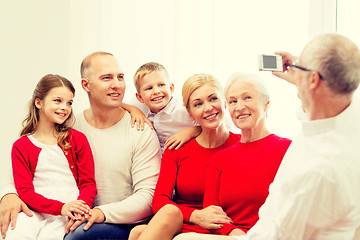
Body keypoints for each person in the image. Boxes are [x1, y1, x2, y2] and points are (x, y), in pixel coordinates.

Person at [0, 52, 161, 240]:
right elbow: (24, 169)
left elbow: (148, 196)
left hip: (122, 223)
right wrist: (8, 195)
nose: (116, 84)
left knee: (75, 236)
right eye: (107, 78)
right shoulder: (67, 126)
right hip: (74, 214)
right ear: (86, 85)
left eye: (120, 77)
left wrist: (99, 213)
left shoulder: (140, 130)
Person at [235, 33, 360, 240]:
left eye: (299, 66)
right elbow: (318, 108)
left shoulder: (318, 172)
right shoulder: (346, 118)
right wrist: (301, 76)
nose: (294, 69)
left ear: (313, 79)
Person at [173, 73, 291, 240]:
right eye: (233, 101)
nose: (239, 107)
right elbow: (211, 215)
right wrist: (232, 232)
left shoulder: (287, 149)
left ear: (266, 103)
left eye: (247, 98)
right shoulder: (220, 159)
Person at [128, 74, 241, 240]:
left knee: (139, 234)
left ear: (224, 101)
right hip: (186, 221)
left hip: (224, 224)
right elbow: (159, 201)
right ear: (190, 113)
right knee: (138, 231)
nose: (208, 108)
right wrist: (195, 215)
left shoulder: (242, 145)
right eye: (198, 104)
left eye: (213, 99)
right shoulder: (177, 149)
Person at [6, 74, 97, 240]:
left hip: (70, 209)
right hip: (34, 210)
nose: (65, 107)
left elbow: (88, 183)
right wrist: (59, 207)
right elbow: (25, 191)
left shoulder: (77, 139)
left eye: (69, 103)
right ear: (38, 102)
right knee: (16, 234)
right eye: (58, 101)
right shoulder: (21, 146)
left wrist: (78, 208)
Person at [132, 62, 200, 154]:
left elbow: (210, 127)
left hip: (187, 156)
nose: (156, 91)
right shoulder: (141, 108)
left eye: (161, 85)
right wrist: (133, 110)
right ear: (140, 97)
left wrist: (192, 131)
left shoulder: (184, 109)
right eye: (149, 88)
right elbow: (117, 105)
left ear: (171, 88)